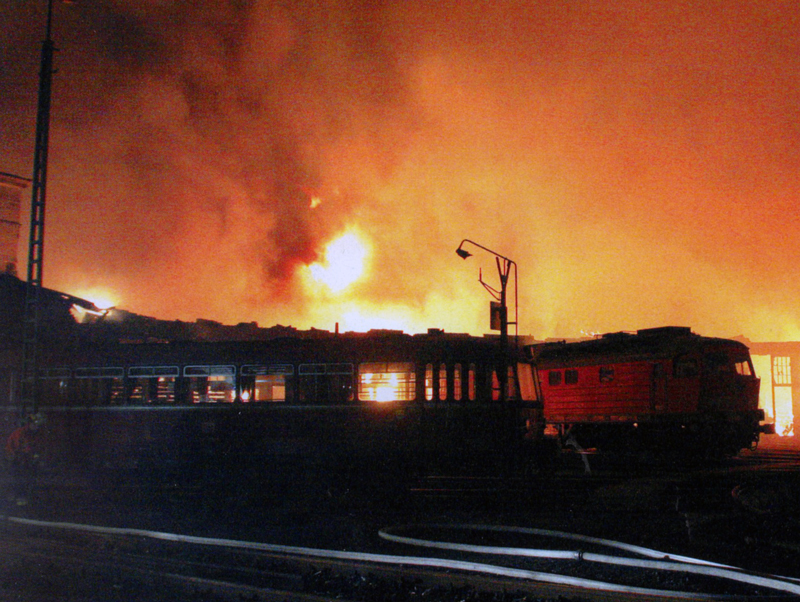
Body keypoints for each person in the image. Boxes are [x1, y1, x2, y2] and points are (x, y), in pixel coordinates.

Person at [4, 414, 43, 506]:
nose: (36, 427)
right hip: (16, 460)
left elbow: (37, 447)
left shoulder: (35, 434)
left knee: (29, 478)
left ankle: (26, 496)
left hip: (26, 460)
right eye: (35, 424)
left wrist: (36, 456)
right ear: (29, 424)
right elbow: (19, 448)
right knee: (18, 478)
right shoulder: (20, 433)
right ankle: (16, 497)